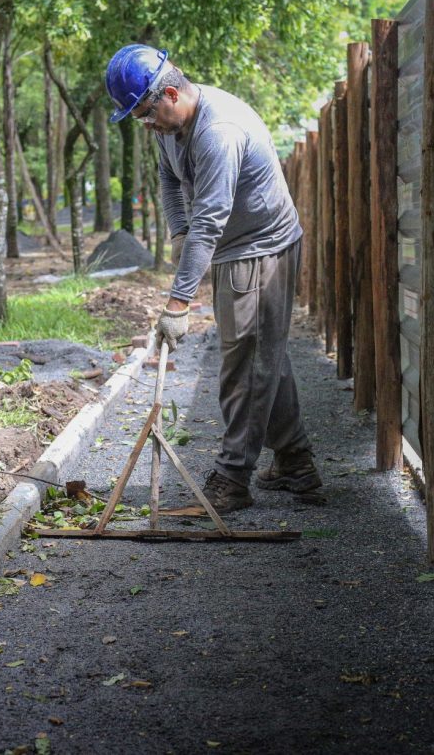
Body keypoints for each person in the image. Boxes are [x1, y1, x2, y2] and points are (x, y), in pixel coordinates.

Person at [105, 44, 322, 513]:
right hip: (232, 244)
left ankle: (232, 478)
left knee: (244, 364)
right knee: (263, 353)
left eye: (145, 113)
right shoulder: (168, 122)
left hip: (261, 248)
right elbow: (167, 176)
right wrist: (177, 231)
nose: (146, 124)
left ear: (169, 93)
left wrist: (179, 302)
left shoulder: (218, 131)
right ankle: (295, 461)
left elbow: (212, 219)